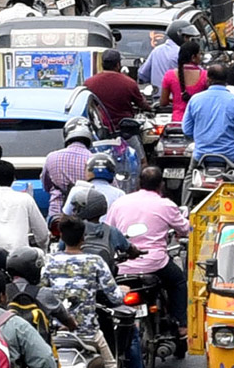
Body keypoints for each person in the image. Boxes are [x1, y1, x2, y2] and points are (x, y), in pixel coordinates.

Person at [105, 167, 190, 351]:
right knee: (178, 282)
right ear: (161, 185)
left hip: (124, 265)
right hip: (155, 263)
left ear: (138, 183)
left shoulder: (120, 203)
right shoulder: (166, 205)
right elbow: (184, 229)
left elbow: (108, 230)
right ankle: (182, 325)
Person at [43, 216, 126, 368]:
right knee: (111, 365)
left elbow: (42, 294)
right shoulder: (95, 261)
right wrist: (123, 291)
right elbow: (115, 298)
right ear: (83, 238)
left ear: (61, 236)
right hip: (88, 334)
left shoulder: (49, 261)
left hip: (57, 334)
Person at [183, 63, 234, 164]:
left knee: (189, 177)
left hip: (201, 155)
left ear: (208, 79)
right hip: (232, 155)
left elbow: (187, 130)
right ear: (226, 80)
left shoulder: (195, 99)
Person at [0, 160, 50, 253]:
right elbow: (42, 233)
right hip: (21, 258)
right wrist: (42, 248)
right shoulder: (26, 199)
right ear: (13, 179)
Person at [41, 118, 95, 219]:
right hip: (85, 214)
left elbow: (46, 186)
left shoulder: (51, 157)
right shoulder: (93, 159)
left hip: (57, 214)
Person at [84, 48, 149, 131]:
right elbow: (142, 104)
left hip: (99, 129)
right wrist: (150, 108)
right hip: (125, 130)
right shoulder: (129, 83)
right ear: (118, 64)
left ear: (102, 64)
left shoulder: (89, 83)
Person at [138, 20, 199, 86]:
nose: (189, 41)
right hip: (176, 94)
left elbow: (142, 74)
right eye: (187, 38)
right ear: (180, 36)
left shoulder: (157, 50)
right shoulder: (182, 53)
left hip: (157, 94)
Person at [161, 40, 207, 122]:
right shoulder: (204, 75)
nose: (200, 57)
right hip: (198, 122)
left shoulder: (169, 75)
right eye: (199, 54)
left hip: (177, 122)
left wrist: (176, 99)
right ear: (193, 57)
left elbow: (163, 102)